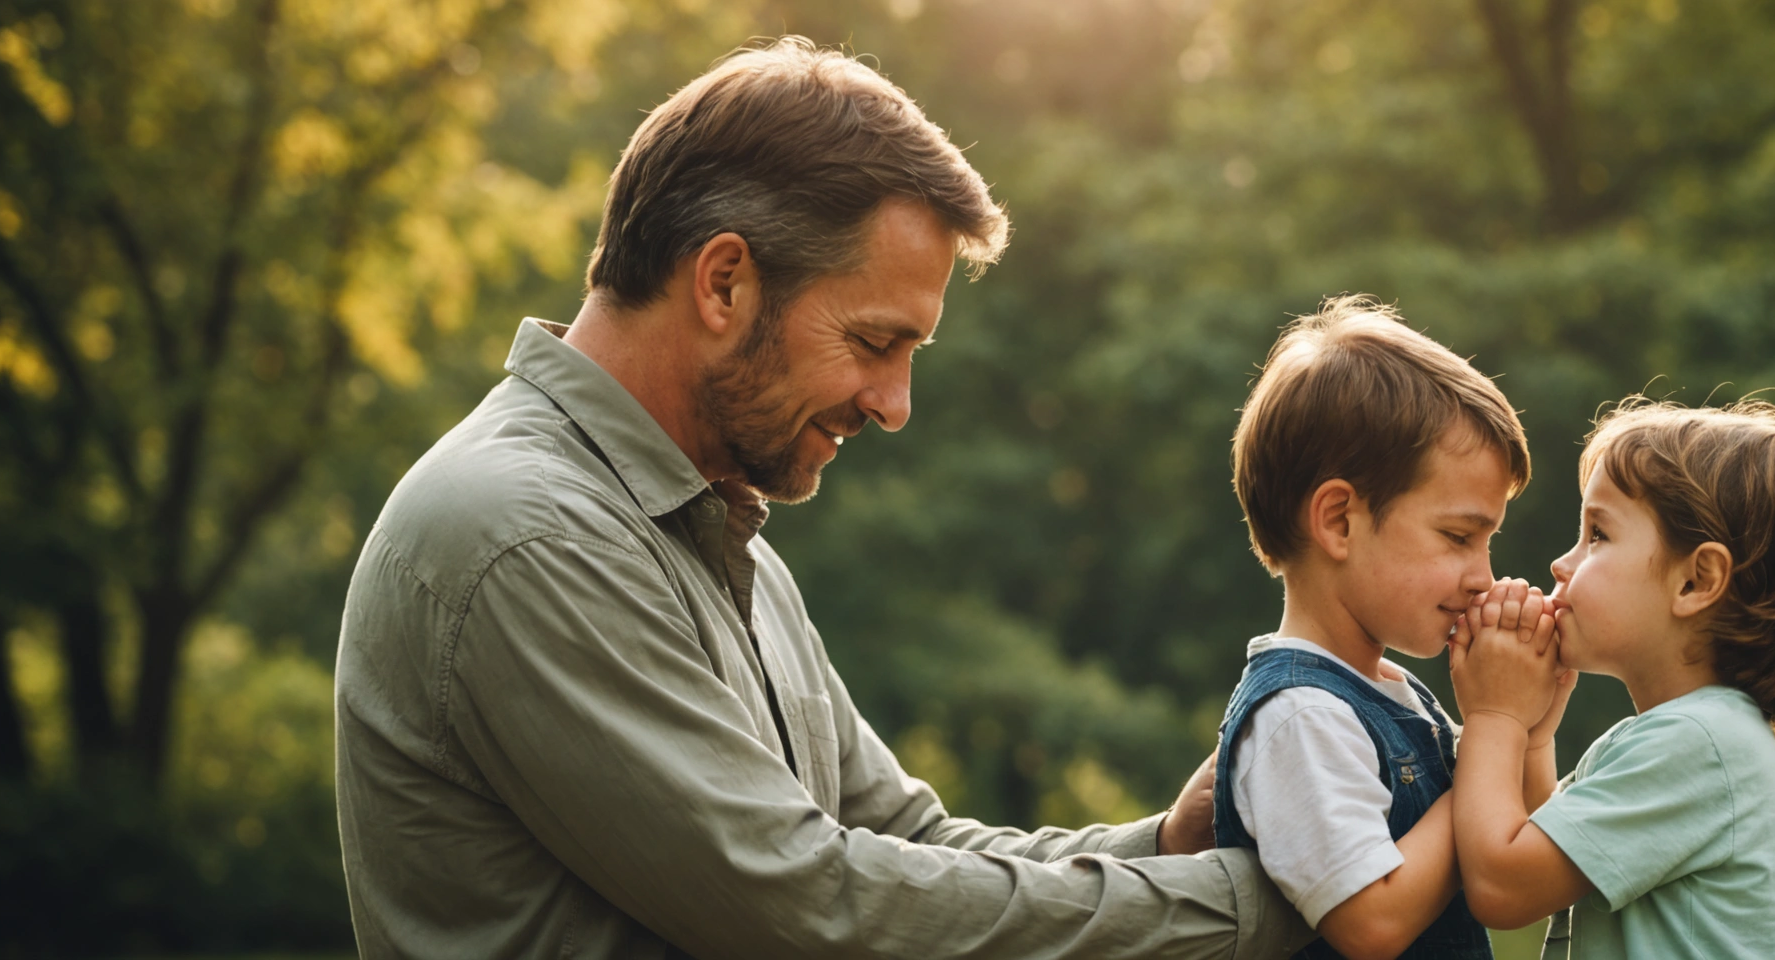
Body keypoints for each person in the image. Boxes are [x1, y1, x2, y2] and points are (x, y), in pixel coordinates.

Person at [332, 38, 1309, 959]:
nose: (895, 407)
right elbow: (808, 909)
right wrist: (1255, 911)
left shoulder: (725, 539)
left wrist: (1171, 849)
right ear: (724, 283)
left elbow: (899, 839)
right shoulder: (525, 533)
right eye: (875, 344)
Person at [1445, 399, 1775, 959]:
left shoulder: (1698, 744)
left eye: (1597, 534)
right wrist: (1532, 735)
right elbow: (1546, 858)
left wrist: (1494, 715)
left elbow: (1504, 885)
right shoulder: (1689, 736)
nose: (1561, 565)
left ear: (1696, 581)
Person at [1210, 296, 1531, 960]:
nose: (1482, 576)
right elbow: (1371, 919)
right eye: (1458, 537)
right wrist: (1487, 744)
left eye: (1487, 543)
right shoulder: (1299, 716)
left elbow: (1517, 854)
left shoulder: (1398, 694)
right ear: (1338, 522)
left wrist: (1528, 723)